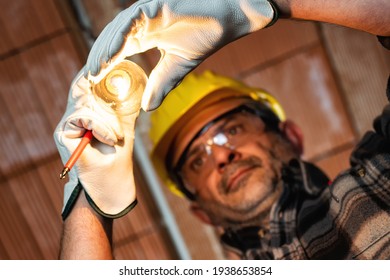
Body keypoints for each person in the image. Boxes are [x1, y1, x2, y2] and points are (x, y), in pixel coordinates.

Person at [54, 0, 390, 259]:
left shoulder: (380, 178)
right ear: (201, 212)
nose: (222, 156)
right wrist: (88, 194)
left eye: (231, 130)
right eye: (197, 161)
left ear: (291, 135)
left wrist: (259, 3)